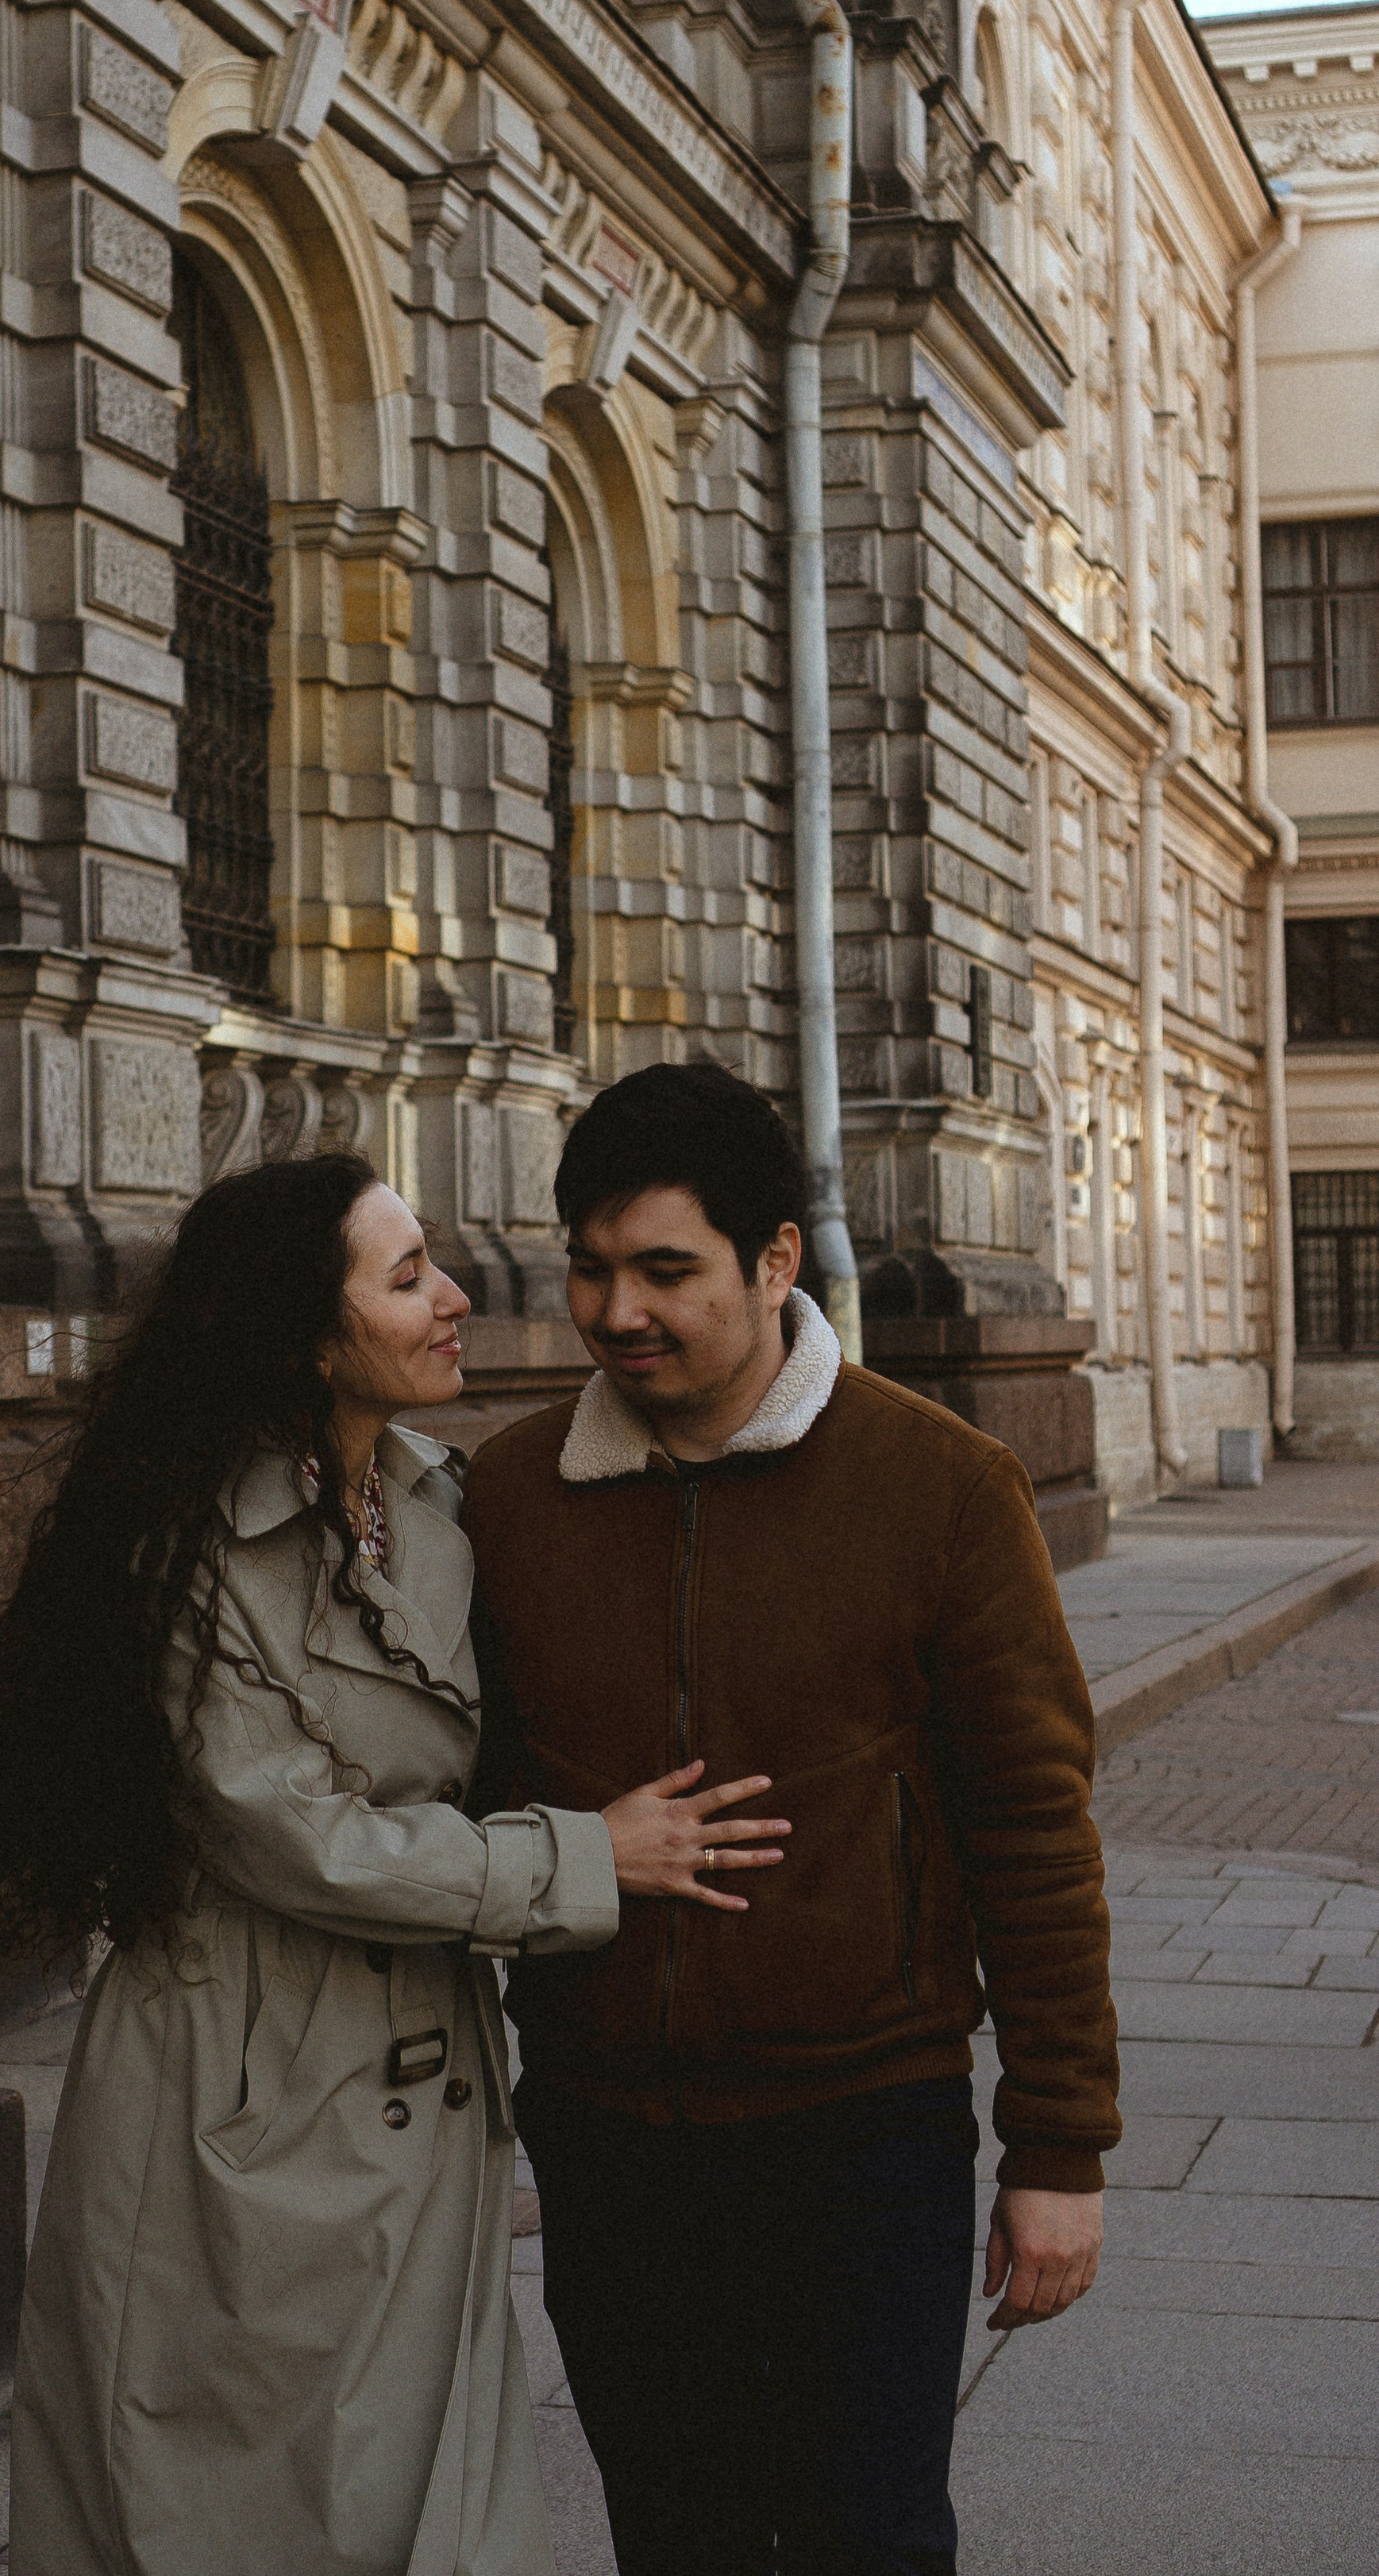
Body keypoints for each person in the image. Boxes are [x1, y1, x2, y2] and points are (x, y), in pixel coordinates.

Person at [0, 1149, 789, 2576]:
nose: (457, 1297)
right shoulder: (189, 1547)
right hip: (245, 2084)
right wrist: (588, 1858)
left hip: (419, 2075)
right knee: (232, 2502)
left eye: (434, 1259)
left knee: (422, 2501)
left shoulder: (441, 1504)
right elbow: (296, 1839)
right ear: (303, 1337)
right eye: (406, 1277)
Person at [461, 1061, 1120, 2576]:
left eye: (665, 1270)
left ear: (774, 1262)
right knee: (672, 2538)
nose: (617, 1308)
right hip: (611, 2130)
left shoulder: (942, 1484)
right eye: (590, 1267)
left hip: (861, 2135)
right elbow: (457, 1797)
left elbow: (1033, 1828)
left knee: (865, 2542)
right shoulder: (507, 1496)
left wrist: (1059, 2149)